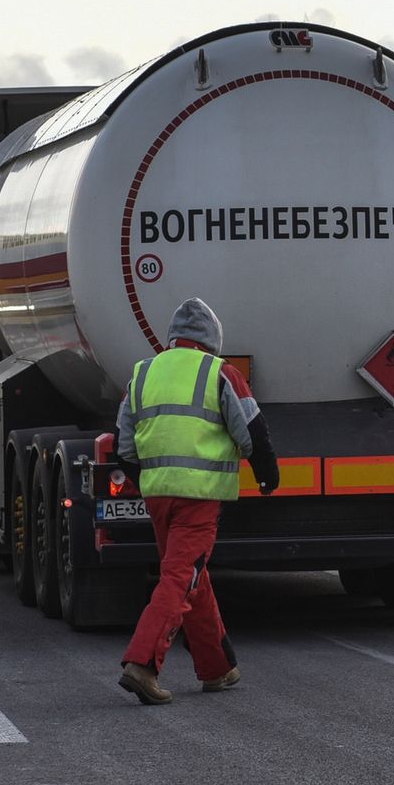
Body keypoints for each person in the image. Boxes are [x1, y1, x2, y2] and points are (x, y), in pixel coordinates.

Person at [115, 297, 280, 705]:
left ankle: (217, 668)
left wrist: (150, 479)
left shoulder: (143, 373)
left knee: (191, 576)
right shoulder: (219, 372)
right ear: (212, 342)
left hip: (158, 496)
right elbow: (252, 432)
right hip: (199, 499)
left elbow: (124, 446)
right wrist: (266, 477)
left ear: (173, 339)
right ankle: (142, 665)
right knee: (179, 579)